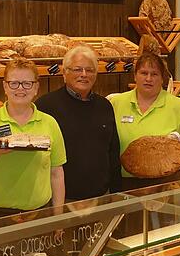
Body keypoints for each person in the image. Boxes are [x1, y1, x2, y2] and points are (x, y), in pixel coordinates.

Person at [0, 58, 66, 220]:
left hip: (39, 214)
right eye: (14, 83)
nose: (20, 89)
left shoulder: (49, 123)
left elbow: (57, 174)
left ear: (36, 87)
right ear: (5, 86)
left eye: (27, 83)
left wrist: (58, 217)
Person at [36, 46, 121, 200]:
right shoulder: (45, 106)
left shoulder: (105, 106)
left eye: (89, 70)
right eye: (77, 69)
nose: (84, 75)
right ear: (64, 73)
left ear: (96, 74)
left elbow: (113, 153)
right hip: (60, 198)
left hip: (101, 196)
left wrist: (115, 193)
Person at [108, 52, 180, 191]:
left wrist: (176, 140)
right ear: (135, 75)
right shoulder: (116, 103)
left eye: (154, 74)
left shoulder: (176, 106)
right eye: (143, 73)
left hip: (166, 184)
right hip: (125, 183)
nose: (148, 79)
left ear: (162, 79)